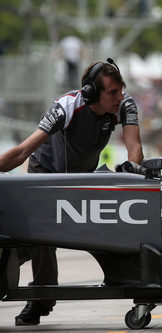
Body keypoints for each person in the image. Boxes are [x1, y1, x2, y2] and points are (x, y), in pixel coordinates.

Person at [0, 59, 144, 326]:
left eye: (121, 89)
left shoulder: (125, 105)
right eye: (112, 92)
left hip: (84, 176)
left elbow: (135, 148)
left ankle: (140, 281)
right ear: (91, 93)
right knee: (43, 235)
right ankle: (41, 298)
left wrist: (132, 169)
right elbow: (21, 152)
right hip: (46, 174)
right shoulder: (65, 107)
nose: (119, 96)